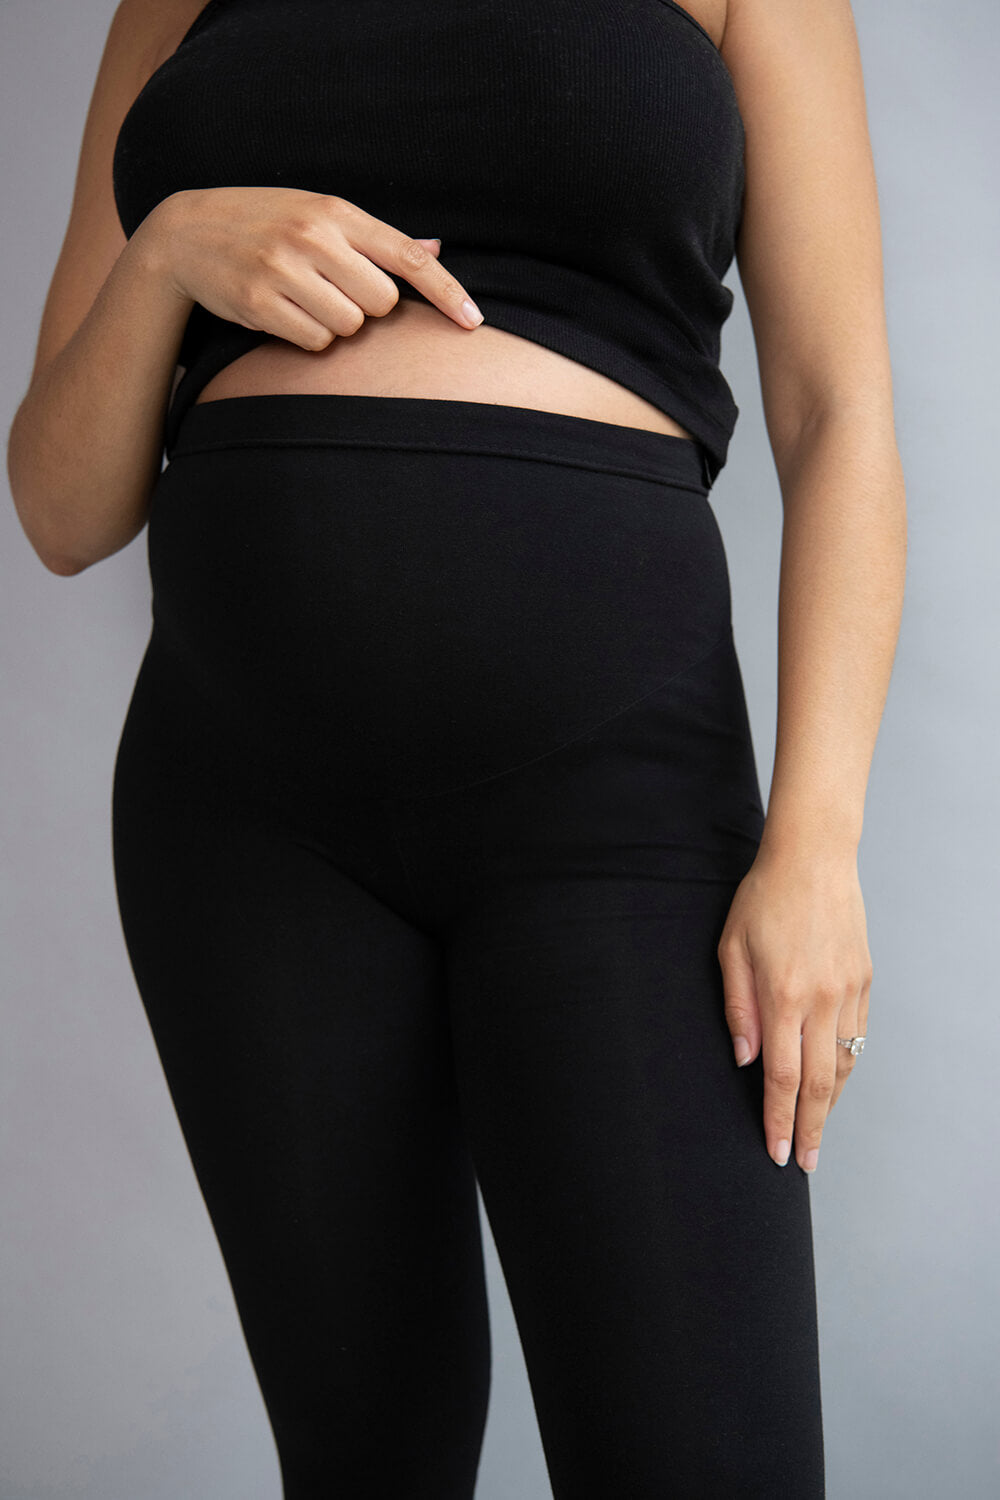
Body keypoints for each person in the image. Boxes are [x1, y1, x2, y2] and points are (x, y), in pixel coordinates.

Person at [7, 0, 906, 1495]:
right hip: (246, 817)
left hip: (619, 806)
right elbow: (60, 508)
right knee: (368, 1459)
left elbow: (839, 414)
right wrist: (163, 253)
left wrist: (816, 841)